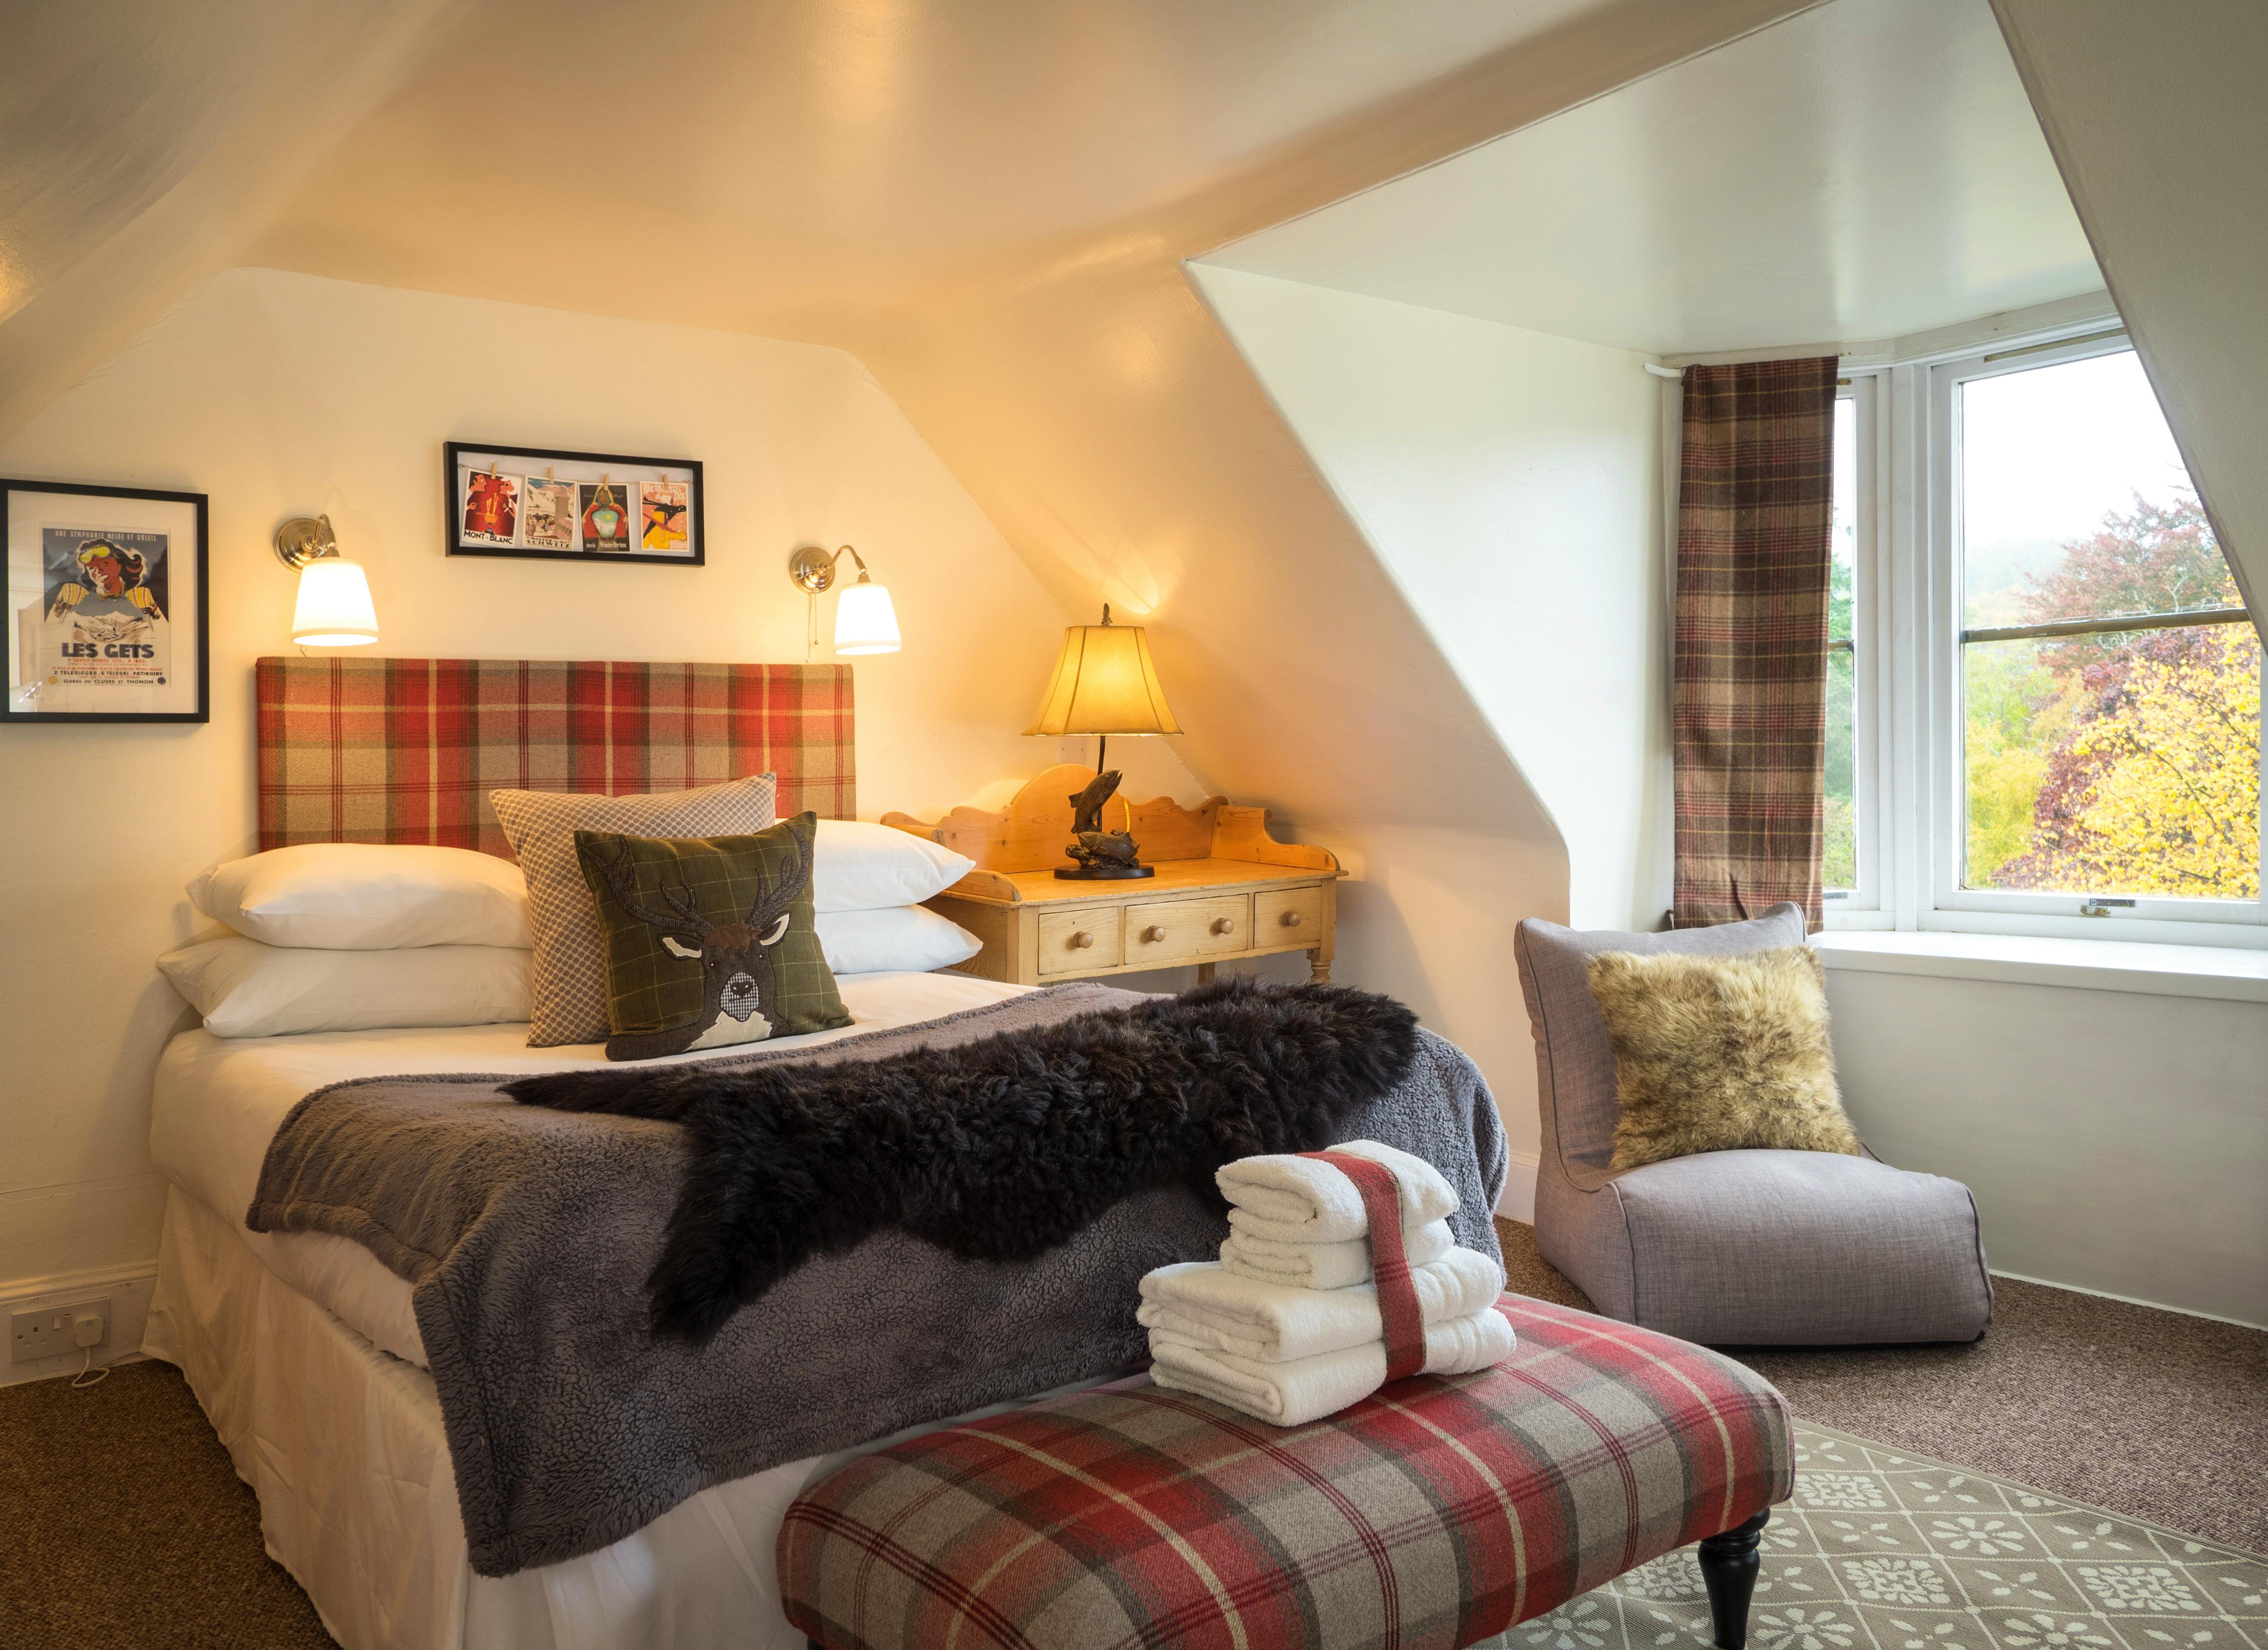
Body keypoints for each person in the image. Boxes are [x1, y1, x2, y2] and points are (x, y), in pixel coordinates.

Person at [47, 538, 164, 622]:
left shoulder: (141, 598)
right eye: (91, 568)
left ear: (120, 565)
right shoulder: (75, 597)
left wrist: (152, 609)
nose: (98, 571)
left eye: (105, 564)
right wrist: (60, 605)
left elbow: (163, 637)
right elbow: (50, 637)